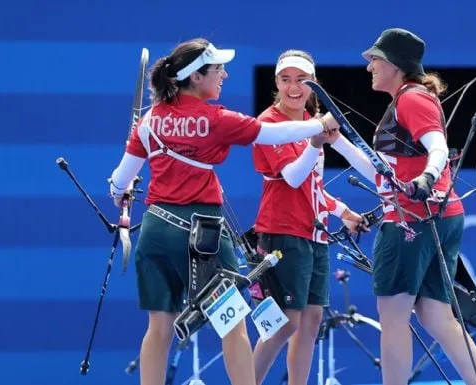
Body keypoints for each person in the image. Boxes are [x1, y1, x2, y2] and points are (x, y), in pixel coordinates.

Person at [107, 38, 339, 385]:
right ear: (197, 77)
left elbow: (120, 180)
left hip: (156, 230)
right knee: (231, 322)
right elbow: (271, 133)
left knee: (159, 326)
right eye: (218, 70)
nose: (225, 76)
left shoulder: (150, 119)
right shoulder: (215, 118)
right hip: (203, 237)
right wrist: (320, 126)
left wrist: (119, 193)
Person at [323, 28, 476, 385]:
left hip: (411, 221)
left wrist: (427, 178)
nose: (369, 67)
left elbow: (440, 149)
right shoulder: (408, 99)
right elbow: (383, 173)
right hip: (436, 217)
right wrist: (337, 141)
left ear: (396, 65)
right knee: (435, 315)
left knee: (393, 315)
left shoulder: (412, 100)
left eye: (376, 60)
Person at [250, 49, 367, 385]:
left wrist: (344, 212)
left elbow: (313, 188)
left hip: (313, 234)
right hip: (282, 231)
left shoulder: (309, 123)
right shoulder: (269, 123)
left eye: (302, 80)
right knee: (286, 321)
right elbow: (292, 177)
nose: (294, 87)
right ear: (276, 83)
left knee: (312, 319)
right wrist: (315, 143)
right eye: (286, 80)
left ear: (314, 84)